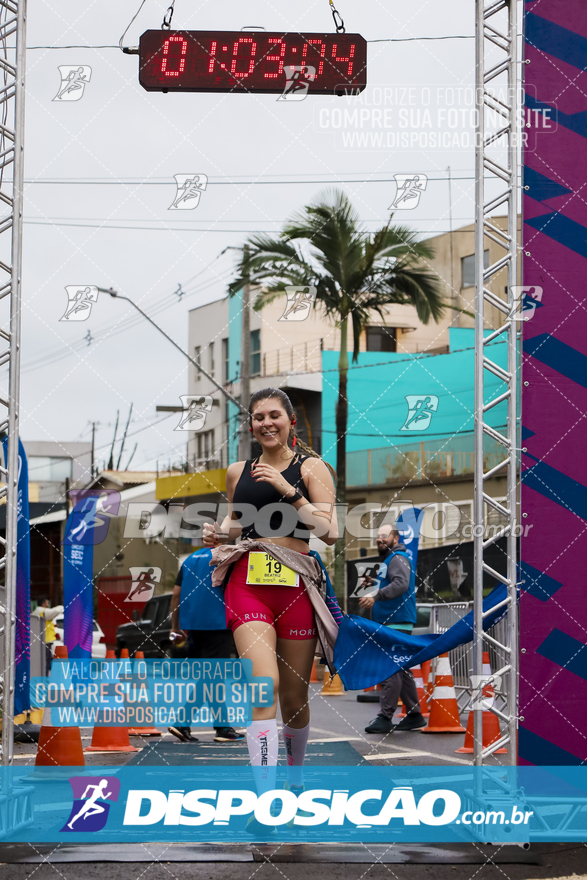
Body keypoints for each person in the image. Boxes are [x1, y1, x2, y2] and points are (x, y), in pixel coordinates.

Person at [202, 388, 340, 827]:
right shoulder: (237, 470)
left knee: (295, 697)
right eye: (258, 417)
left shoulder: (312, 467)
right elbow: (236, 520)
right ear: (251, 424)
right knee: (265, 684)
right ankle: (265, 800)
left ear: (290, 421)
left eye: (274, 415)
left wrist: (288, 490)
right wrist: (218, 533)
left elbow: (330, 531)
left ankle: (295, 785)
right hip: (248, 582)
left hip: (296, 581)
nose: (266, 422)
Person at [168, 546, 245, 744]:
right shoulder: (229, 556)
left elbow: (176, 595)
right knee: (212, 677)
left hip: (194, 625)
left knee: (212, 678)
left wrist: (175, 627)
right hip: (218, 623)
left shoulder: (190, 559)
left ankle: (223, 728)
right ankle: (183, 722)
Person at [359, 524, 425, 734]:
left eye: (384, 536)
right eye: (378, 537)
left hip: (395, 622)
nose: (380, 540)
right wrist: (369, 589)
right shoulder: (390, 560)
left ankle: (385, 717)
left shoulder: (397, 558)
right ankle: (414, 715)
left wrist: (375, 596)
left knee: (390, 668)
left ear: (395, 539)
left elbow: (401, 584)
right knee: (401, 669)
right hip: (393, 622)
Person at [32, 597, 64, 673]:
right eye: (47, 603)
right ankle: (44, 677)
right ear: (43, 604)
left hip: (42, 640)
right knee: (46, 661)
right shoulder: (43, 612)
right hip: (46, 640)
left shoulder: (36, 612)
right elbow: (56, 611)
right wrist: (64, 605)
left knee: (44, 660)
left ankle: (43, 675)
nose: (48, 604)